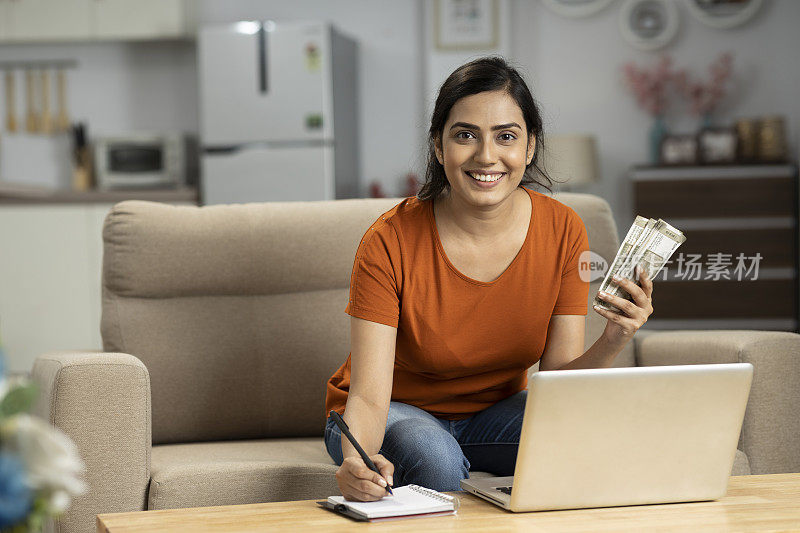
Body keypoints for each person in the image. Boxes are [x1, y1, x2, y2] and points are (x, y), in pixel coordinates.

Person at [324, 56, 654, 501]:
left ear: (530, 147)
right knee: (435, 460)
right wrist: (356, 460)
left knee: (602, 434)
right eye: (465, 136)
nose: (486, 156)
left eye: (506, 137)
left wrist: (614, 338)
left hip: (495, 415)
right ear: (439, 148)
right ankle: (446, 459)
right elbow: (367, 397)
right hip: (396, 411)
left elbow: (558, 386)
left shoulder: (562, 230)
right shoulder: (389, 240)